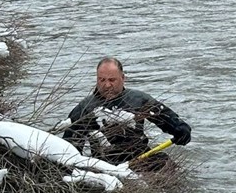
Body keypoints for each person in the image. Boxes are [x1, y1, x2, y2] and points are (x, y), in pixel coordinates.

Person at [62, 57, 191, 164]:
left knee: (165, 163)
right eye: (102, 80)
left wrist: (181, 129)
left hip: (140, 158)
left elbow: (167, 119)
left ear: (123, 78)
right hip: (105, 165)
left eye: (112, 80)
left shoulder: (139, 100)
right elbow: (69, 148)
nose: (107, 85)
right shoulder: (85, 109)